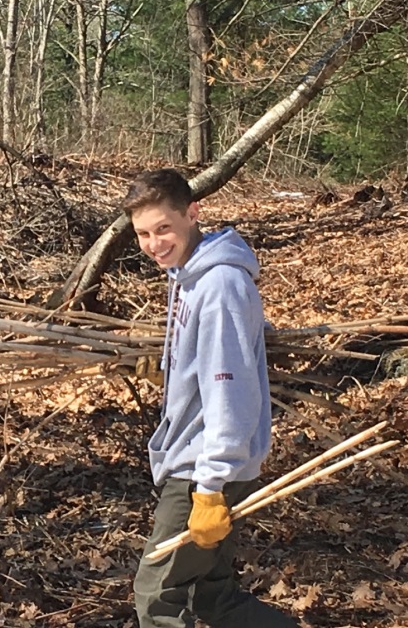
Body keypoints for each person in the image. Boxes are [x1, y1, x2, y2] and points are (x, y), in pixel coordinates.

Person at [124, 169, 298, 628]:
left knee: (157, 594)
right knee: (211, 596)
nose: (154, 243)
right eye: (143, 233)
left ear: (192, 213)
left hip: (202, 466)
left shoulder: (219, 285)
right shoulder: (187, 273)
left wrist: (210, 487)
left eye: (163, 228)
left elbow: (229, 389)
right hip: (200, 458)